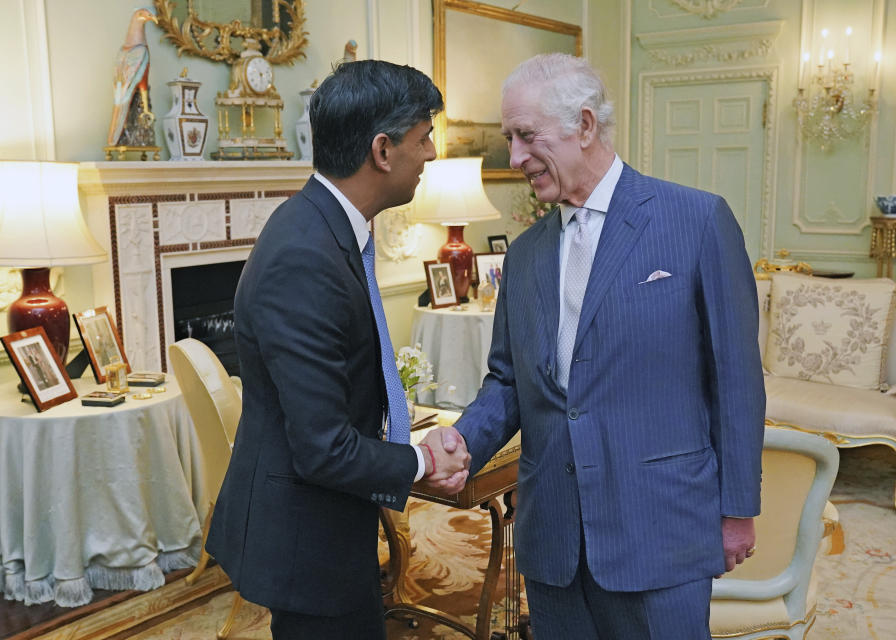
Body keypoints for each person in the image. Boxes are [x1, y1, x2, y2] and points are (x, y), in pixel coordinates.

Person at [443, 53, 766, 639]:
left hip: (661, 531)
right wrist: (461, 441)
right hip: (555, 539)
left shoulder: (695, 221)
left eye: (525, 136)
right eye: (508, 139)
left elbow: (738, 379)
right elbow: (509, 380)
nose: (514, 158)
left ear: (584, 126)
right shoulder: (526, 253)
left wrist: (738, 509)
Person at [205, 60, 471, 640]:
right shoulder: (306, 256)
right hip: (306, 542)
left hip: (325, 526)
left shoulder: (328, 227)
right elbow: (323, 450)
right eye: (423, 138)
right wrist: (423, 462)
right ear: (382, 150)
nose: (429, 154)